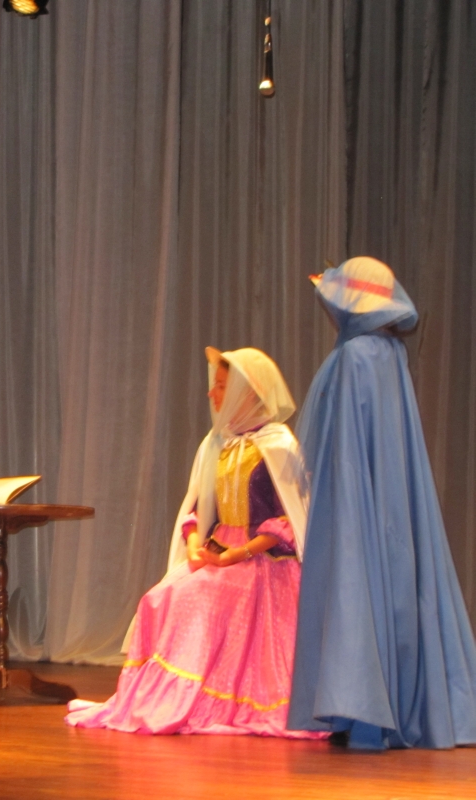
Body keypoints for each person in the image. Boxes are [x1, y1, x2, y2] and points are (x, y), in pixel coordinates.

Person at [66, 347, 323, 738]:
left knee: (196, 600)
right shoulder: (216, 443)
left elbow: (290, 517)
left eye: (221, 386)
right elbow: (200, 510)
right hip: (218, 554)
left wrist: (239, 552)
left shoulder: (278, 445)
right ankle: (158, 698)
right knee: (161, 596)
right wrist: (193, 548)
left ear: (247, 393)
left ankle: (201, 700)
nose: (211, 393)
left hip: (263, 562)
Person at [287, 257, 476, 749]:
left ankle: (363, 713)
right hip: (387, 493)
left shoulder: (356, 356)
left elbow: (345, 441)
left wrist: (343, 499)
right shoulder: (390, 352)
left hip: (353, 494)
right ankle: (374, 710)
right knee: (391, 585)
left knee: (355, 586)